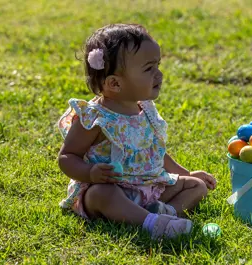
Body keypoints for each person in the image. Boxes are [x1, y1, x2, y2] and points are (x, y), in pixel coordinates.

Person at [57, 24, 217, 239]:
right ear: (114, 83)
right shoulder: (95, 119)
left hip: (149, 186)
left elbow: (155, 152)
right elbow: (68, 156)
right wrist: (90, 173)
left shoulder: (145, 110)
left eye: (157, 66)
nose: (158, 74)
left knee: (196, 186)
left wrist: (186, 174)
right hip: (112, 189)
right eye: (149, 69)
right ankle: (149, 222)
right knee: (101, 195)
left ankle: (165, 214)